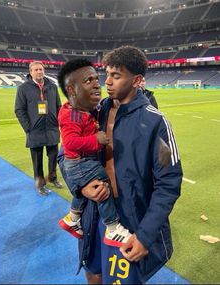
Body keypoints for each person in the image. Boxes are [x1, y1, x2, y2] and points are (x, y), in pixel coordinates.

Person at [58, 45, 183, 284]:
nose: (107, 82)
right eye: (107, 75)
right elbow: (65, 154)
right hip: (93, 215)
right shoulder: (93, 111)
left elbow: (168, 183)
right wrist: (80, 186)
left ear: (136, 80)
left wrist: (145, 236)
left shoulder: (155, 122)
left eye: (116, 76)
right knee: (93, 272)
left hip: (129, 224)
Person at [57, 59, 132, 247]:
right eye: (88, 80)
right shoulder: (73, 114)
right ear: (72, 90)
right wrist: (95, 140)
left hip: (83, 169)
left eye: (96, 78)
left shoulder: (90, 110)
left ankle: (73, 218)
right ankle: (113, 228)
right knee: (103, 184)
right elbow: (67, 147)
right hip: (82, 166)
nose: (98, 83)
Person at [15, 61, 63, 196]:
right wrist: (28, 128)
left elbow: (59, 106)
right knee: (37, 159)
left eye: (41, 69)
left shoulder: (52, 87)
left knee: (53, 157)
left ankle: (53, 178)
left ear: (44, 70)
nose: (39, 72)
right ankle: (40, 184)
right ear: (30, 72)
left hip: (52, 128)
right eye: (35, 70)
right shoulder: (23, 88)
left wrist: (58, 122)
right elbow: (19, 110)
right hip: (35, 130)